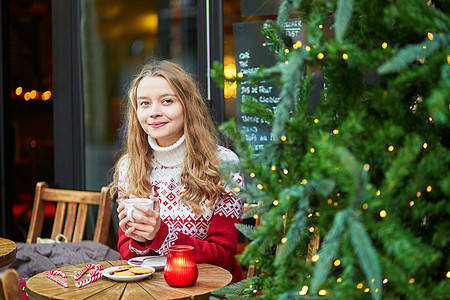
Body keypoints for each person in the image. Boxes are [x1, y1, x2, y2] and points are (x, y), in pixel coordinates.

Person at [109, 60, 244, 282]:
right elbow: (127, 254)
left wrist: (160, 234)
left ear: (187, 106)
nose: (154, 112)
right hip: (151, 290)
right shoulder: (130, 166)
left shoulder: (223, 164)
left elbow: (223, 255)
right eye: (144, 103)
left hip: (209, 290)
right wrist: (139, 239)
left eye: (167, 101)